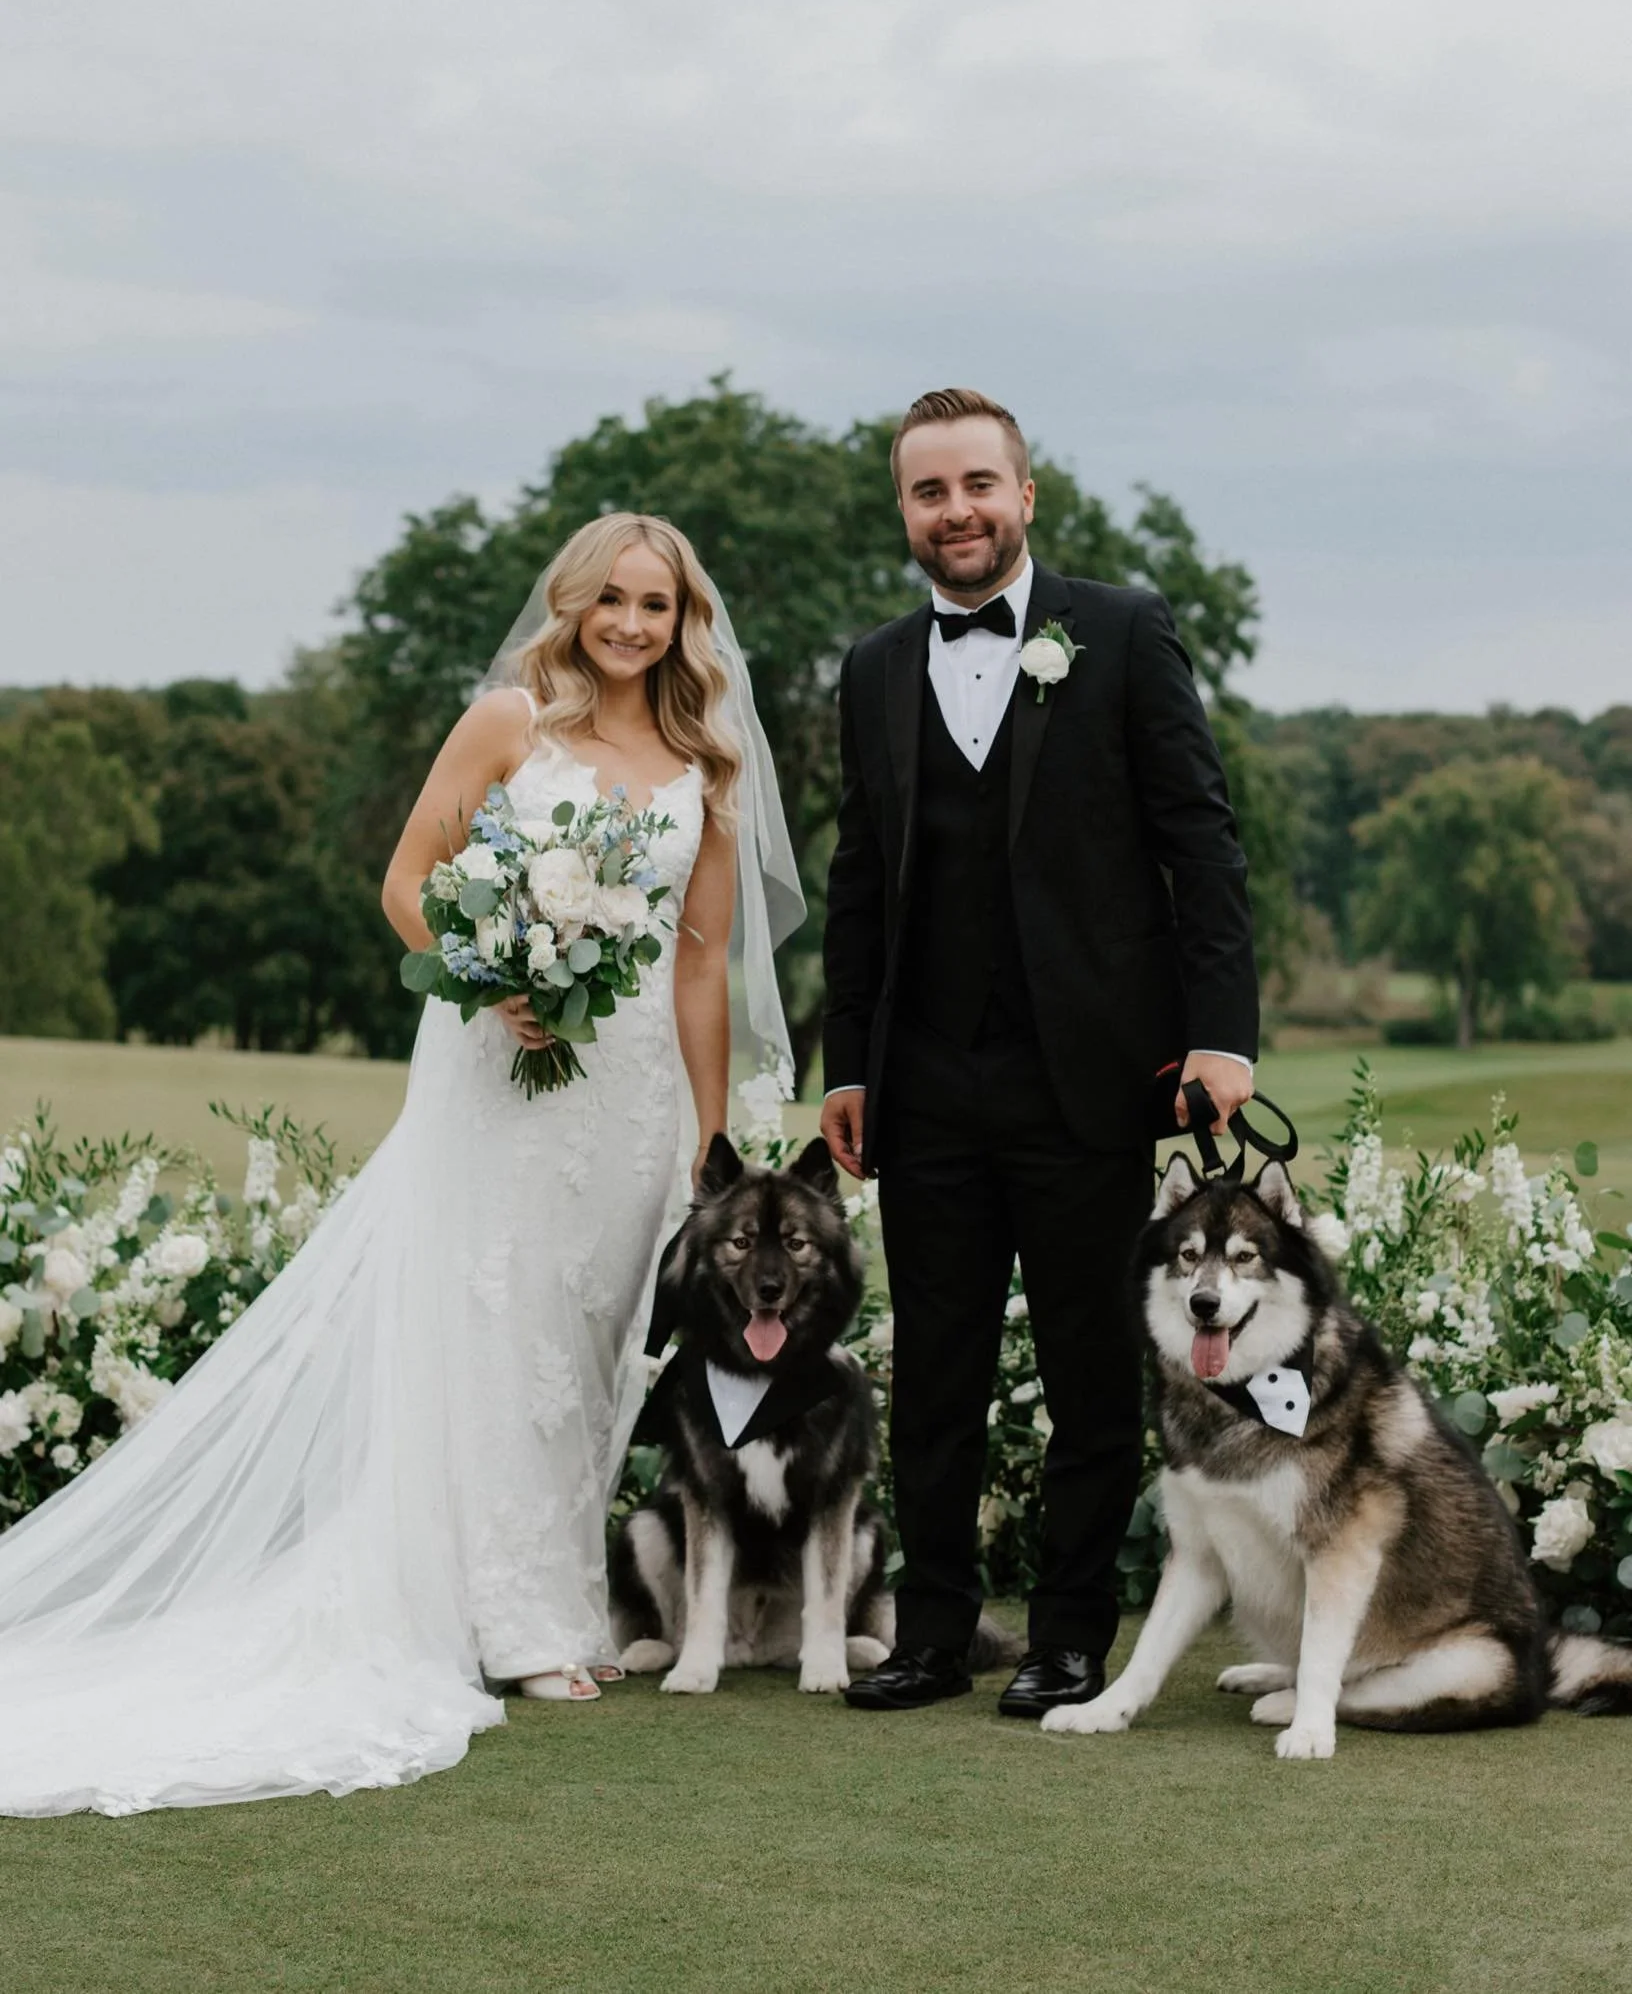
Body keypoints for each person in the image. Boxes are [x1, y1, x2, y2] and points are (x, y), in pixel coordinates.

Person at [0, 513, 801, 1814]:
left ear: (683, 620)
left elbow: (703, 959)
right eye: (612, 600)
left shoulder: (704, 762)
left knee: (587, 1344)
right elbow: (409, 879)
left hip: (634, 1088)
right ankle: (504, 1625)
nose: (632, 625)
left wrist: (708, 1138)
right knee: (484, 1327)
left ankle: (554, 1603)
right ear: (574, 603)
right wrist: (497, 981)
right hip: (502, 1068)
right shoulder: (507, 724)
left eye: (656, 606)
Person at [821, 388, 1258, 1718]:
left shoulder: (1119, 632)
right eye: (927, 492)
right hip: (927, 1085)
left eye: (975, 486)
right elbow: (858, 877)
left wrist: (1220, 1035)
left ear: (1025, 493)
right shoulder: (876, 668)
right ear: (905, 510)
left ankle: (1069, 1641)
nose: (954, 512)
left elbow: (1200, 839)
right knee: (936, 1373)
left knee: (1085, 1376)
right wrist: (850, 1064)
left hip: (1090, 1079)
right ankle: (935, 1636)